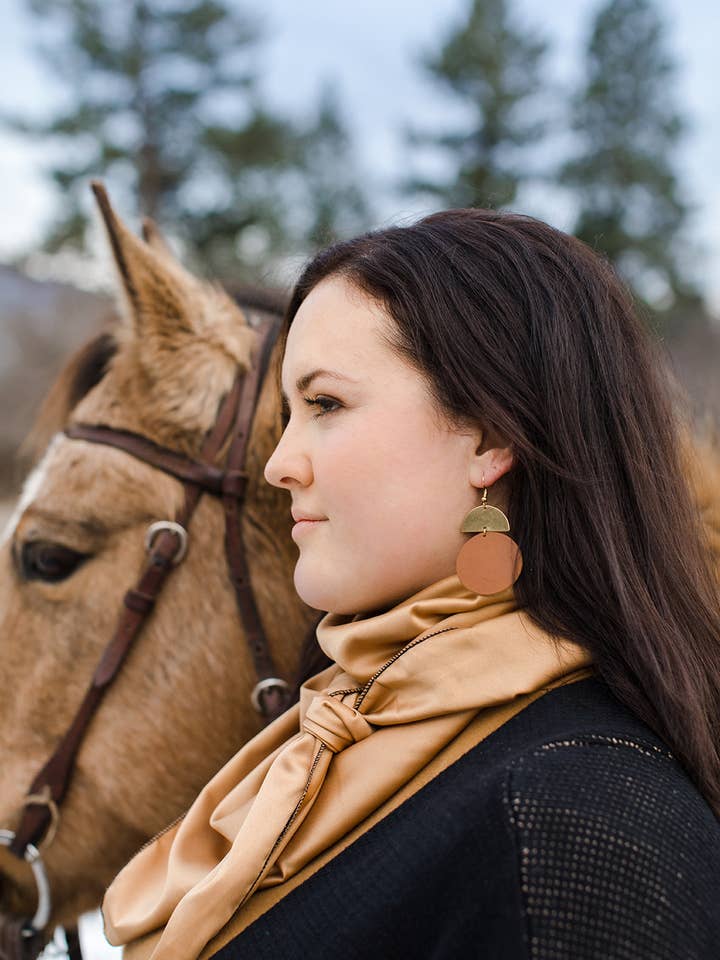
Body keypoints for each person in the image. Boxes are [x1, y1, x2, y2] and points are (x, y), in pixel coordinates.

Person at [102, 209, 720, 959]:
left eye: (325, 404)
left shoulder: (579, 824)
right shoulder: (342, 731)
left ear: (489, 436)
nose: (279, 463)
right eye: (288, 414)